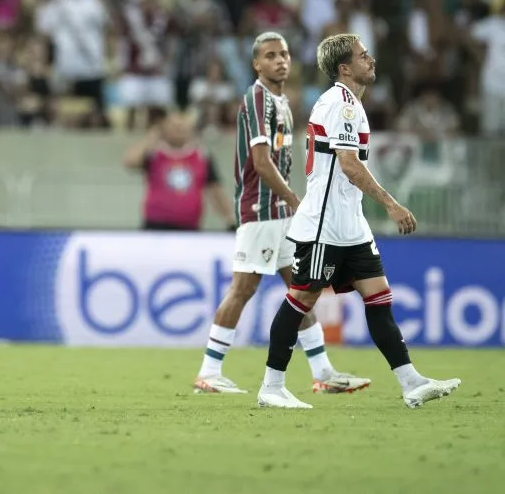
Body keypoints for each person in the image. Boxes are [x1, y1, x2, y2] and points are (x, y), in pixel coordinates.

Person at [257, 33, 461, 409]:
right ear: (345, 67)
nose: (371, 60)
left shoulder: (351, 104)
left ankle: (410, 382)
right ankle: (271, 387)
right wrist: (391, 204)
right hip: (325, 223)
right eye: (363, 56)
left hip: (350, 225)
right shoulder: (341, 104)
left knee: (379, 297)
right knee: (302, 298)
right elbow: (349, 166)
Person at [193, 33, 369, 395]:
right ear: (257, 64)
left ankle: (323, 372)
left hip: (280, 212)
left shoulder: (282, 102)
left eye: (285, 54)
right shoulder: (258, 97)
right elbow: (260, 161)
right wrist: (294, 198)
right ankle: (209, 372)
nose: (280, 60)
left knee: (302, 289)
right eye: (270, 55)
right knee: (243, 287)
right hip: (261, 208)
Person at [123, 109, 235, 231]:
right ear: (164, 128)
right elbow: (130, 162)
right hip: (155, 226)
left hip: (189, 227)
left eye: (182, 127)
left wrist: (229, 218)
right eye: (174, 126)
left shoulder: (201, 156)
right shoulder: (154, 153)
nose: (178, 130)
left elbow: (215, 190)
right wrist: (152, 136)